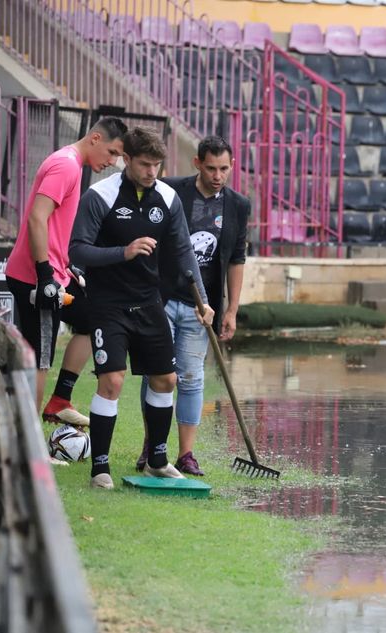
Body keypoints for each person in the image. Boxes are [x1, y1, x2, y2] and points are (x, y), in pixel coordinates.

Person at [68, 127, 213, 489]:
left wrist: (204, 302)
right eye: (145, 164)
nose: (152, 172)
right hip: (108, 304)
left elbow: (183, 253)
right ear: (127, 160)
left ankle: (158, 461)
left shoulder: (167, 197)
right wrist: (124, 252)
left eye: (157, 165)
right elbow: (78, 251)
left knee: (167, 380)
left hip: (149, 302)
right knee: (112, 382)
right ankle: (99, 467)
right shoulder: (98, 196)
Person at [135, 135, 250, 476]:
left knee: (191, 376)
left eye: (224, 169)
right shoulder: (170, 191)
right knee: (158, 373)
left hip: (204, 308)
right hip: (162, 297)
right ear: (197, 163)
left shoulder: (238, 205)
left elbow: (237, 258)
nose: (218, 175)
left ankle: (186, 455)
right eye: (211, 168)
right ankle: (152, 445)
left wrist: (231, 310)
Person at [5, 117, 127, 425]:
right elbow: (36, 218)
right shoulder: (67, 166)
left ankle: (59, 401)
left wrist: (64, 265)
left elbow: (52, 225)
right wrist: (45, 274)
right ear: (95, 138)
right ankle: (30, 446)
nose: (112, 162)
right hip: (35, 277)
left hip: (53, 272)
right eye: (111, 153)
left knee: (90, 318)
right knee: (40, 359)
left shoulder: (70, 162)